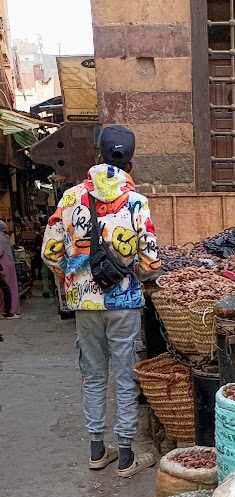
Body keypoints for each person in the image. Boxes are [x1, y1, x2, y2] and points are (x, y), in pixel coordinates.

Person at [42, 125, 162, 477]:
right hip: (123, 302)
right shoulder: (136, 202)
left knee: (93, 375)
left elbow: (50, 252)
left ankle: (98, 449)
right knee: (124, 377)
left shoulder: (69, 198)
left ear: (98, 156)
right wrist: (132, 274)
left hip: (84, 304)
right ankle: (125, 456)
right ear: (130, 162)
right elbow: (151, 261)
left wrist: (73, 276)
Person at [0, 221, 20, 318]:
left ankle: (6, 310)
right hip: (7, 265)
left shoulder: (1, 237)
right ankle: (12, 309)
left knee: (5, 289)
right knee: (9, 288)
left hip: (3, 266)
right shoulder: (5, 237)